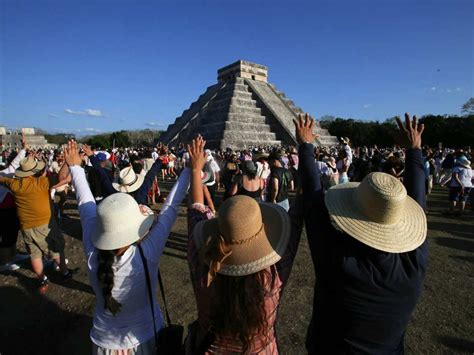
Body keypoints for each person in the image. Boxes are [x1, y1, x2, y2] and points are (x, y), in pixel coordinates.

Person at [295, 113, 428, 354]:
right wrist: (415, 151)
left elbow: (313, 201)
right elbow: (419, 202)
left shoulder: (339, 262)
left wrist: (305, 145)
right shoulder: (413, 266)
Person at [64, 140, 190, 354]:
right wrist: (190, 169)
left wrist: (76, 167)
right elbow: (170, 208)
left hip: (104, 344)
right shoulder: (146, 253)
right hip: (145, 338)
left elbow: (85, 204)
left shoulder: (93, 250)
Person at [185, 135, 304, 354]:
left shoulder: (203, 265)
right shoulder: (273, 278)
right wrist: (305, 148)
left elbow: (196, 209)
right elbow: (295, 221)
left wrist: (195, 169)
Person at [0, 156, 73, 293]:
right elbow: (62, 177)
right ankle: (65, 273)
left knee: (35, 254)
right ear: (34, 171)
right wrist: (67, 162)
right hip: (44, 224)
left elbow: (2, 179)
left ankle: (42, 278)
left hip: (26, 226)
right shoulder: (42, 182)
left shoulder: (14, 184)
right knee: (56, 249)